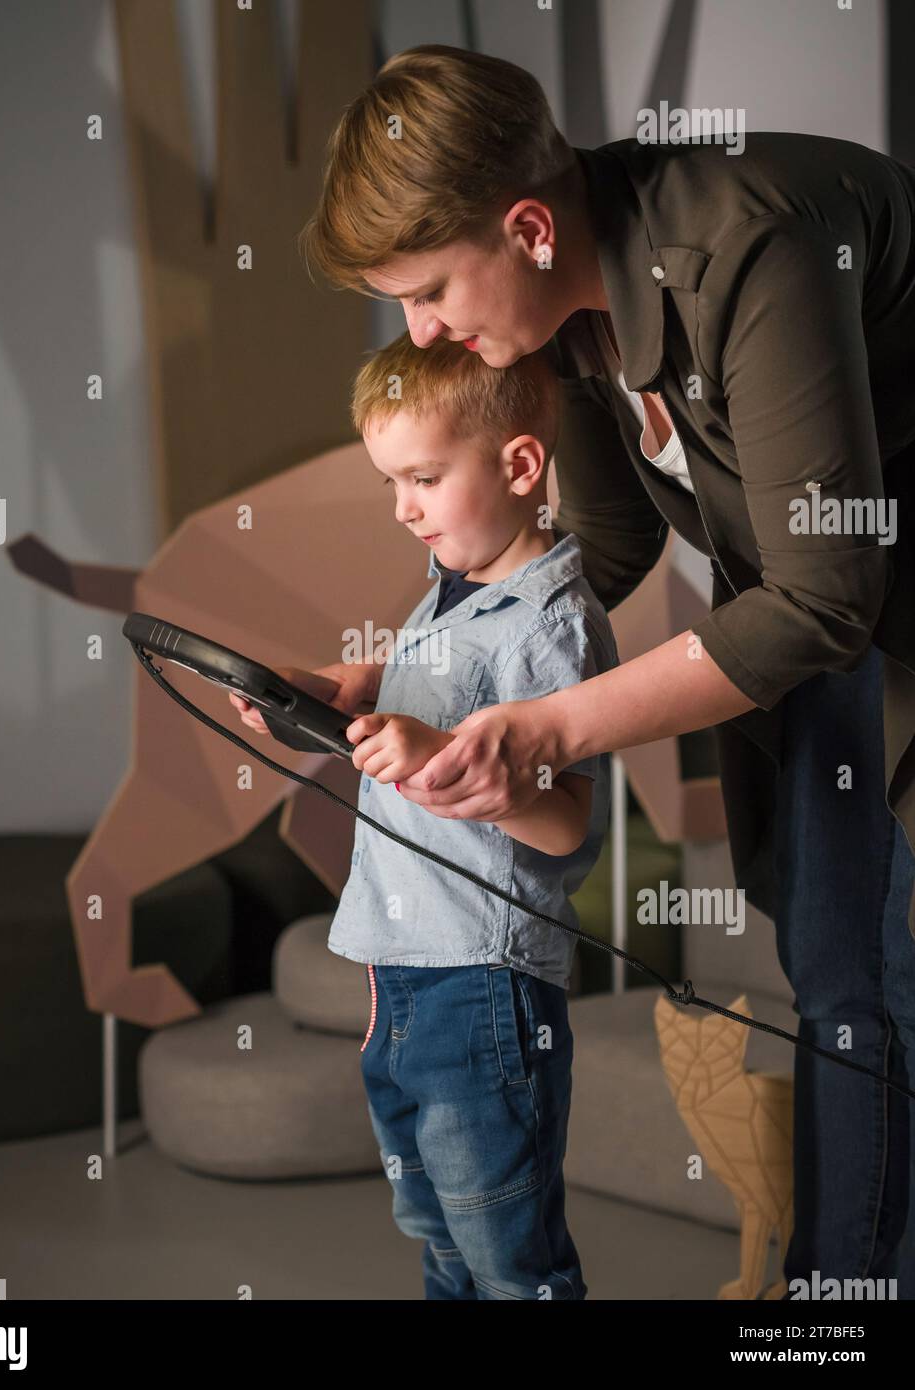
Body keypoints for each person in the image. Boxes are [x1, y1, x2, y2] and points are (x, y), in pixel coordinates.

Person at [298, 44, 915, 1295]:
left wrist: (547, 729)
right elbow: (607, 541)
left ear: (526, 225)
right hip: (812, 612)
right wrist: (421, 673)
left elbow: (824, 589)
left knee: (888, 978)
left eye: (425, 292)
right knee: (832, 970)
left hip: (852, 599)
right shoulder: (561, 311)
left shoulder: (756, 249)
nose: (422, 333)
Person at [234, 329, 618, 1298]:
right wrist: (317, 688)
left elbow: (570, 826)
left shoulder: (550, 624)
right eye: (389, 484)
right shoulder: (456, 591)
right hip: (401, 970)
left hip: (482, 979)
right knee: (437, 1229)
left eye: (423, 478)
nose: (403, 508)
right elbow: (402, 686)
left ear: (519, 462)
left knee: (504, 1250)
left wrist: (439, 758)